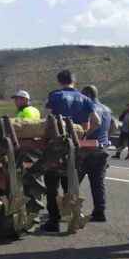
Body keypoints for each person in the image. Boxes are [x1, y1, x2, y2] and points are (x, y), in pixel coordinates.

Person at [41, 69, 102, 232]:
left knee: (51, 185)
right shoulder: (85, 99)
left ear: (59, 81)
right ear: (74, 81)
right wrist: (83, 134)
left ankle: (53, 220)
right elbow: (97, 121)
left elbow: (45, 119)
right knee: (71, 184)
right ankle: (73, 218)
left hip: (55, 147)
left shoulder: (54, 96)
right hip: (75, 147)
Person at [79, 85, 112, 222]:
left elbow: (95, 123)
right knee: (98, 183)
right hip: (102, 148)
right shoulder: (107, 109)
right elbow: (114, 126)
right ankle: (99, 211)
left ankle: (71, 209)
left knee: (73, 180)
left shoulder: (88, 107)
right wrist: (104, 137)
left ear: (86, 95)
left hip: (87, 149)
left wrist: (84, 135)